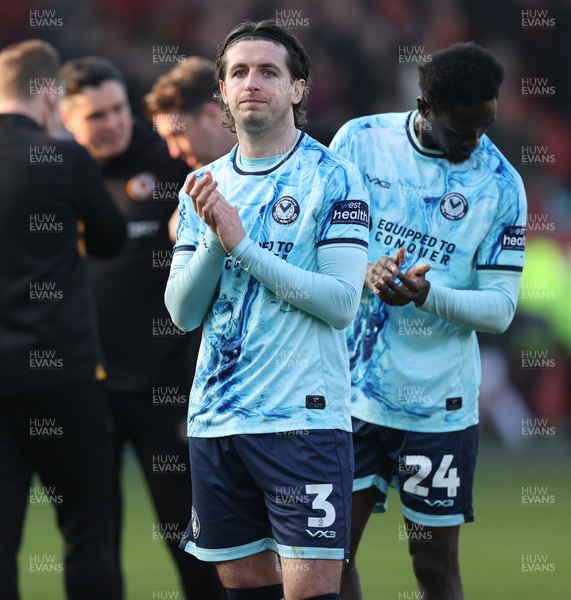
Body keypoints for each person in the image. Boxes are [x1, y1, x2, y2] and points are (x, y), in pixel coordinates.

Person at [165, 19, 370, 600]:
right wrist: (212, 237)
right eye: (238, 72)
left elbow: (339, 303)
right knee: (245, 589)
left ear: (298, 89)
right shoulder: (202, 185)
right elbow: (182, 311)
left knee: (310, 591)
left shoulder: (333, 178)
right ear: (223, 93)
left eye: (269, 71)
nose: (252, 82)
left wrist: (243, 246)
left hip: (301, 421)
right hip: (218, 420)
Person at [330, 42, 527, 599]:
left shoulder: (501, 185)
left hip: (438, 406)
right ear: (424, 106)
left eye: (484, 125)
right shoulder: (360, 141)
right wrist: (364, 267)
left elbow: (500, 309)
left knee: (434, 568)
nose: (474, 142)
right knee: (330, 553)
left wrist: (426, 295)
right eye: (462, 129)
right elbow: (321, 238)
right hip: (350, 395)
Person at [59, 57, 224, 598]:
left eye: (117, 109)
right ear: (67, 119)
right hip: (87, 389)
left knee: (190, 537)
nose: (112, 123)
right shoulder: (60, 178)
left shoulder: (173, 162)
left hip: (165, 392)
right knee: (89, 539)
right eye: (96, 115)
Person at [0, 40, 125, 600]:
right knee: (88, 531)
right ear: (51, 95)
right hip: (61, 376)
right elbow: (110, 238)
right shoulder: (63, 158)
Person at [143, 55, 236, 242]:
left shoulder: (296, 157)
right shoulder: (182, 179)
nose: (174, 152)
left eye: (177, 135)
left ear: (211, 115)